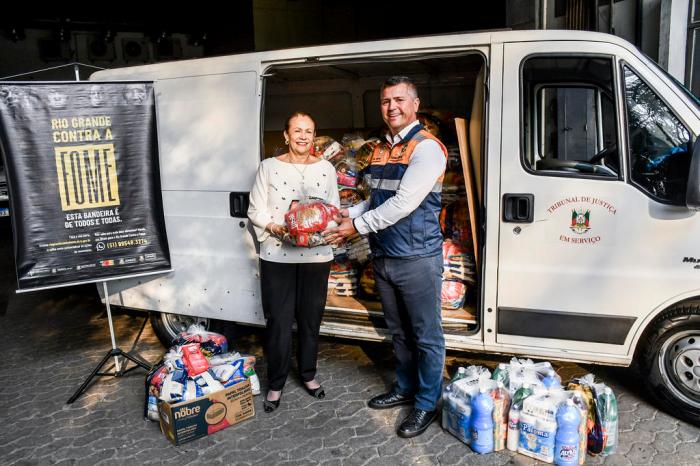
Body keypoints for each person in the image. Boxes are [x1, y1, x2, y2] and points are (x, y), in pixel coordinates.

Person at [325, 76, 447, 438]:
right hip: (384, 254)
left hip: (416, 257)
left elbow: (404, 203)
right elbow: (378, 199)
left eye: (399, 100)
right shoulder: (379, 149)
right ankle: (405, 388)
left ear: (414, 104)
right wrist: (347, 214)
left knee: (425, 335)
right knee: (399, 332)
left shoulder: (427, 148)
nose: (391, 107)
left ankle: (426, 403)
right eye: (385, 101)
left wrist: (356, 227)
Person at [247, 111, 340, 413]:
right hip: (277, 254)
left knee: (311, 318)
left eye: (308, 131)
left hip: (316, 255)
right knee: (279, 321)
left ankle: (309, 375)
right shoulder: (269, 167)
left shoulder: (326, 168)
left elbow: (334, 209)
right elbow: (255, 210)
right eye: (297, 130)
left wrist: (320, 228)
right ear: (286, 135)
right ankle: (276, 384)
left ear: (314, 136)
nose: (303, 136)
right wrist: (276, 228)